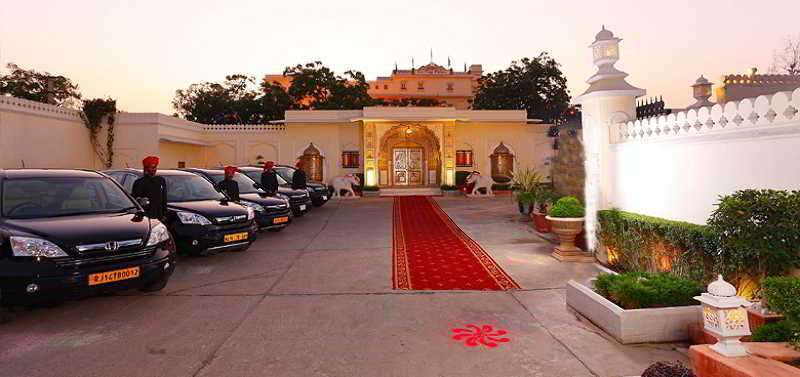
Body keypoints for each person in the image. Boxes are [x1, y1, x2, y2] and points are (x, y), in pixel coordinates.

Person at [131, 156, 168, 220]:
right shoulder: (139, 182)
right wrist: (140, 200)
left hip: (159, 216)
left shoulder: (161, 180)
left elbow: (164, 198)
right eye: (152, 167)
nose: (154, 169)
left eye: (155, 167)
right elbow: (135, 200)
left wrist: (164, 213)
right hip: (146, 216)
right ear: (146, 168)